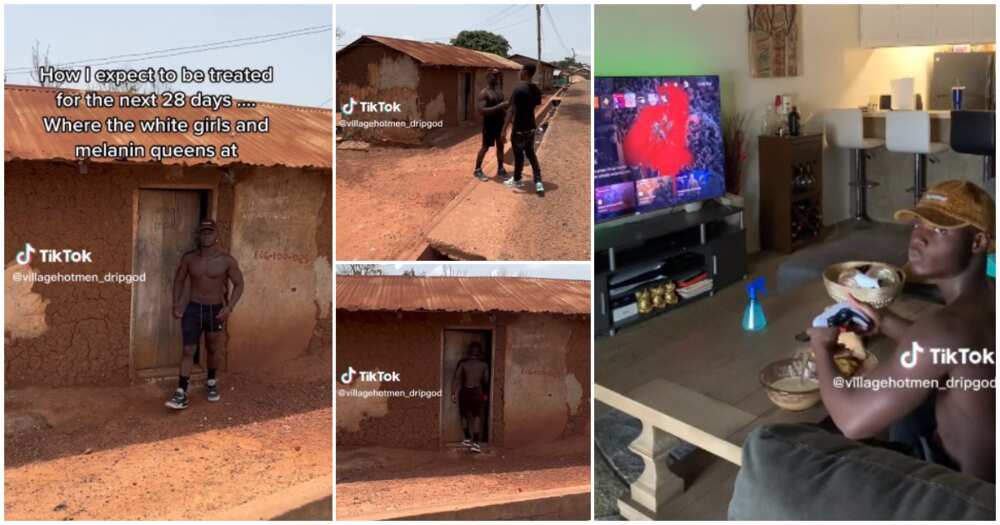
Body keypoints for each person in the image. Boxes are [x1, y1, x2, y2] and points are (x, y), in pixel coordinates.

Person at [807, 180, 995, 482]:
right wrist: (884, 321)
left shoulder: (945, 326)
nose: (918, 237)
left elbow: (851, 420)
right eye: (919, 223)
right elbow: (955, 352)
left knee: (816, 448)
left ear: (978, 243)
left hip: (965, 497)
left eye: (940, 229)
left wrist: (821, 347)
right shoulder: (987, 299)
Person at [165, 219, 245, 410]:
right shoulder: (190, 258)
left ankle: (211, 382)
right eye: (203, 232)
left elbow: (239, 284)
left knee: (212, 348)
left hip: (215, 310)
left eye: (210, 232)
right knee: (188, 350)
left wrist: (229, 307)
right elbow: (179, 279)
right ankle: (181, 392)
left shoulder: (226, 260)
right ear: (198, 235)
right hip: (193, 309)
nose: (206, 235)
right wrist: (176, 303)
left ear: (216, 235)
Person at [503, 62, 544, 195]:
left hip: (519, 128)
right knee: (531, 153)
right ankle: (538, 180)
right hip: (531, 127)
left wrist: (503, 130)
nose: (519, 73)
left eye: (521, 70)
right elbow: (535, 104)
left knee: (518, 155)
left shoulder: (518, 89)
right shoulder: (536, 90)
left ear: (525, 72)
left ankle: (517, 179)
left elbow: (511, 110)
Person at [450, 341, 490, 453]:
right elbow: (486, 381)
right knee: (477, 416)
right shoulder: (484, 365)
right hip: (477, 391)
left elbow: (457, 379)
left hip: (465, 392)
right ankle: (476, 443)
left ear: (469, 352)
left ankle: (467, 438)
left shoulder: (463, 364)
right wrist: (485, 394)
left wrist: (453, 393)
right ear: (479, 352)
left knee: (464, 415)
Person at [473, 69, 510, 181]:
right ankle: (477, 170)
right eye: (494, 75)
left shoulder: (499, 92)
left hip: (500, 125)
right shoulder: (484, 93)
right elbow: (481, 110)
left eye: (498, 75)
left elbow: (502, 109)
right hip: (489, 126)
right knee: (485, 147)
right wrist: (500, 106)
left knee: (500, 147)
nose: (496, 78)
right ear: (488, 77)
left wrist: (507, 114)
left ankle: (500, 168)